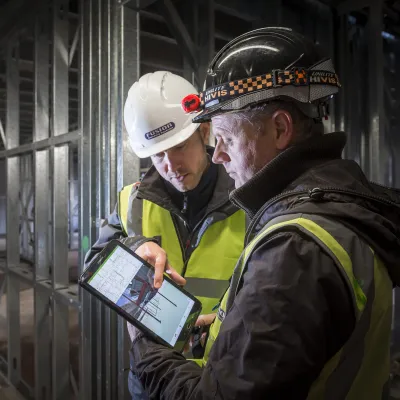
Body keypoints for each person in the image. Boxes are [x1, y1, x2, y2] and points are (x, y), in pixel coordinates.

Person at [127, 27, 400, 399]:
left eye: (226, 137)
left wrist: (145, 342)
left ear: (280, 128)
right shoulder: (337, 207)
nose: (219, 156)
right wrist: (227, 329)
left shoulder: (295, 250)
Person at [84, 71, 246, 398]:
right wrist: (135, 245)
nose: (170, 164)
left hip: (221, 373)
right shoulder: (133, 200)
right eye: (158, 154)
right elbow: (95, 259)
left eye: (179, 146)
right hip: (150, 375)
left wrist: (228, 320)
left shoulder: (247, 200)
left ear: (204, 132)